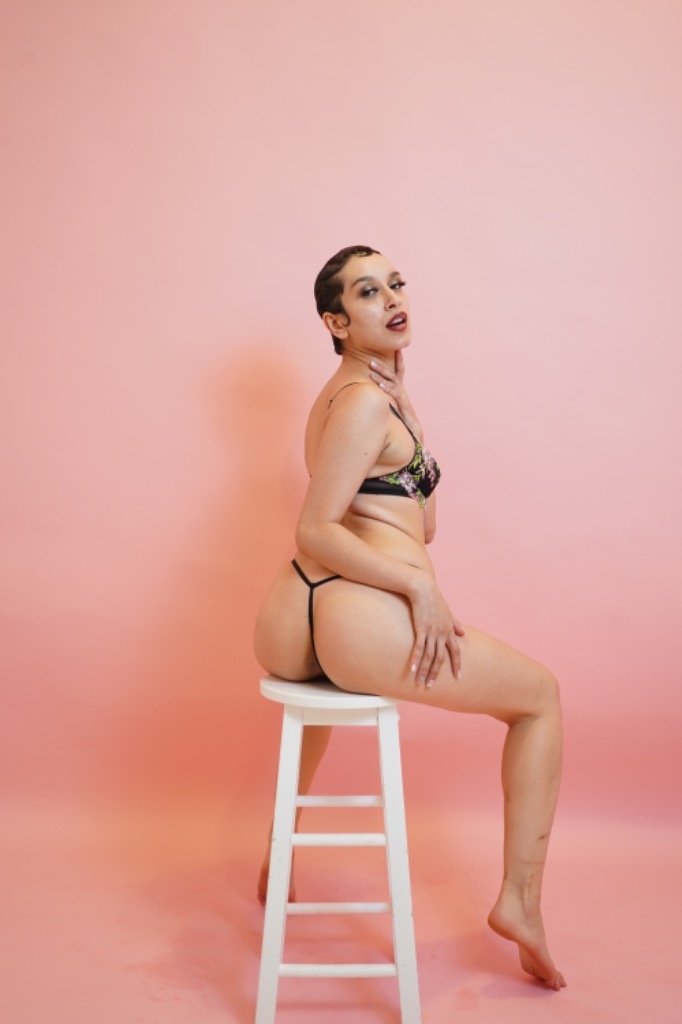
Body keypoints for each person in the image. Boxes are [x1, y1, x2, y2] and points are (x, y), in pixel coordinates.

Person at [253, 245, 566, 990]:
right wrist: (418, 590)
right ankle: (520, 901)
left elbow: (422, 523)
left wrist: (413, 419)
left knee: (320, 706)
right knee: (540, 698)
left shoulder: (359, 394)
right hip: (352, 612)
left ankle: (277, 852)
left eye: (395, 283)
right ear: (336, 321)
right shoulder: (365, 402)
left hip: (296, 612)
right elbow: (316, 528)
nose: (392, 298)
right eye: (367, 292)